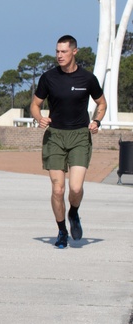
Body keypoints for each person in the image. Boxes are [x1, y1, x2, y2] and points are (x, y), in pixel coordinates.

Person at [29, 35, 106, 248]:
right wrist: (39, 117)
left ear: (74, 52)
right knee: (57, 189)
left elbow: (102, 103)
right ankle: (62, 231)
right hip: (55, 136)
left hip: (80, 136)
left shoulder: (88, 79)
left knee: (76, 188)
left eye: (63, 51)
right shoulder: (48, 78)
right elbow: (35, 105)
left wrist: (97, 121)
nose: (59, 55)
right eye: (57, 51)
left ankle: (73, 213)